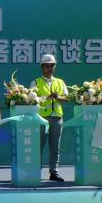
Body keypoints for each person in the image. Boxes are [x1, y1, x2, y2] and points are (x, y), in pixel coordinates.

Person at [31, 54, 68, 182]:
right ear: (42, 67)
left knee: (55, 147)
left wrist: (58, 98)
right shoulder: (36, 82)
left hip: (57, 117)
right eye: (47, 66)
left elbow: (67, 98)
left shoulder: (60, 82)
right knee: (38, 146)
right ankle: (36, 172)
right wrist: (47, 98)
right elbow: (31, 100)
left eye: (52, 65)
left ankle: (54, 172)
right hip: (41, 118)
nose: (50, 68)